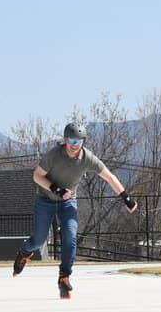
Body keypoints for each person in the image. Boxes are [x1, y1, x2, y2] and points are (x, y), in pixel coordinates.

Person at [12, 123, 139, 298]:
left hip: (68, 202)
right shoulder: (54, 155)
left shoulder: (88, 158)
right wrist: (57, 190)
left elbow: (109, 176)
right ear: (65, 140)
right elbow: (37, 176)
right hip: (45, 199)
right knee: (39, 240)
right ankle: (25, 252)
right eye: (71, 140)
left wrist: (126, 197)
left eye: (79, 141)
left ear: (83, 142)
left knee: (71, 238)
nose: (75, 144)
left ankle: (64, 277)